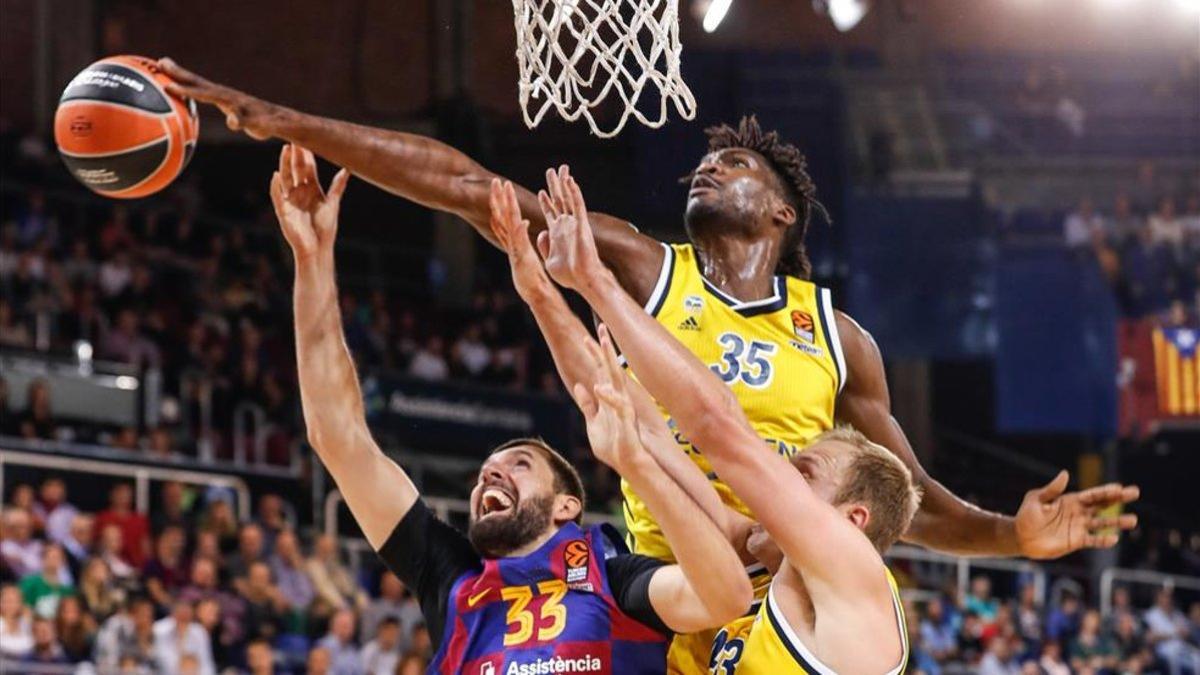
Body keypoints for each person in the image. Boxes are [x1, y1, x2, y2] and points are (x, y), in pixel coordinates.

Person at [167, 58, 1141, 673]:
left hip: (785, 573)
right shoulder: (641, 266)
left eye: (739, 164)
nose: (710, 163)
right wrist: (285, 119)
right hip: (682, 575)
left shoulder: (840, 336)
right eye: (706, 159)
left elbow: (903, 500)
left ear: (783, 214)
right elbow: (475, 193)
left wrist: (1010, 539)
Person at [268, 144, 749, 673]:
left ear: (567, 506)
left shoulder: (611, 575)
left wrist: (635, 462)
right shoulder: (451, 578)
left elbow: (725, 598)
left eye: (519, 463)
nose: (490, 472)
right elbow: (338, 439)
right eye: (488, 471)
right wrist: (312, 263)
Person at [494, 172, 922, 673]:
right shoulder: (757, 558)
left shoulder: (856, 580)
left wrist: (596, 281)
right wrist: (541, 295)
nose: (777, 479)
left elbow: (717, 424)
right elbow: (637, 421)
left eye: (802, 474)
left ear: (853, 521)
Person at [153, 599, 216, 675]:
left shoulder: (199, 632)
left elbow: (206, 663)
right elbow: (161, 661)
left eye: (187, 615)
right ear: (173, 614)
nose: (184, 617)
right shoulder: (159, 630)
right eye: (181, 615)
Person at [19, 543, 73, 619]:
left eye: (57, 557)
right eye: (50, 557)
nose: (54, 561)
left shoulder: (67, 590)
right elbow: (22, 607)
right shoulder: (30, 583)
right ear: (43, 559)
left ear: (63, 561)